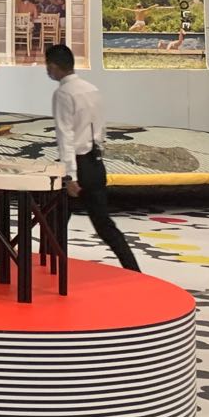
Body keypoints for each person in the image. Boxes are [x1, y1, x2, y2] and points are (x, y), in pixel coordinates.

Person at [45, 43, 140, 272]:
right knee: (104, 224)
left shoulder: (63, 93)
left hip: (78, 167)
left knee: (54, 224)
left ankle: (52, 272)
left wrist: (70, 176)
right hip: (96, 163)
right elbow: (100, 128)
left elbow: (65, 135)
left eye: (47, 65)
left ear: (54, 66)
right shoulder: (92, 89)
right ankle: (133, 269)